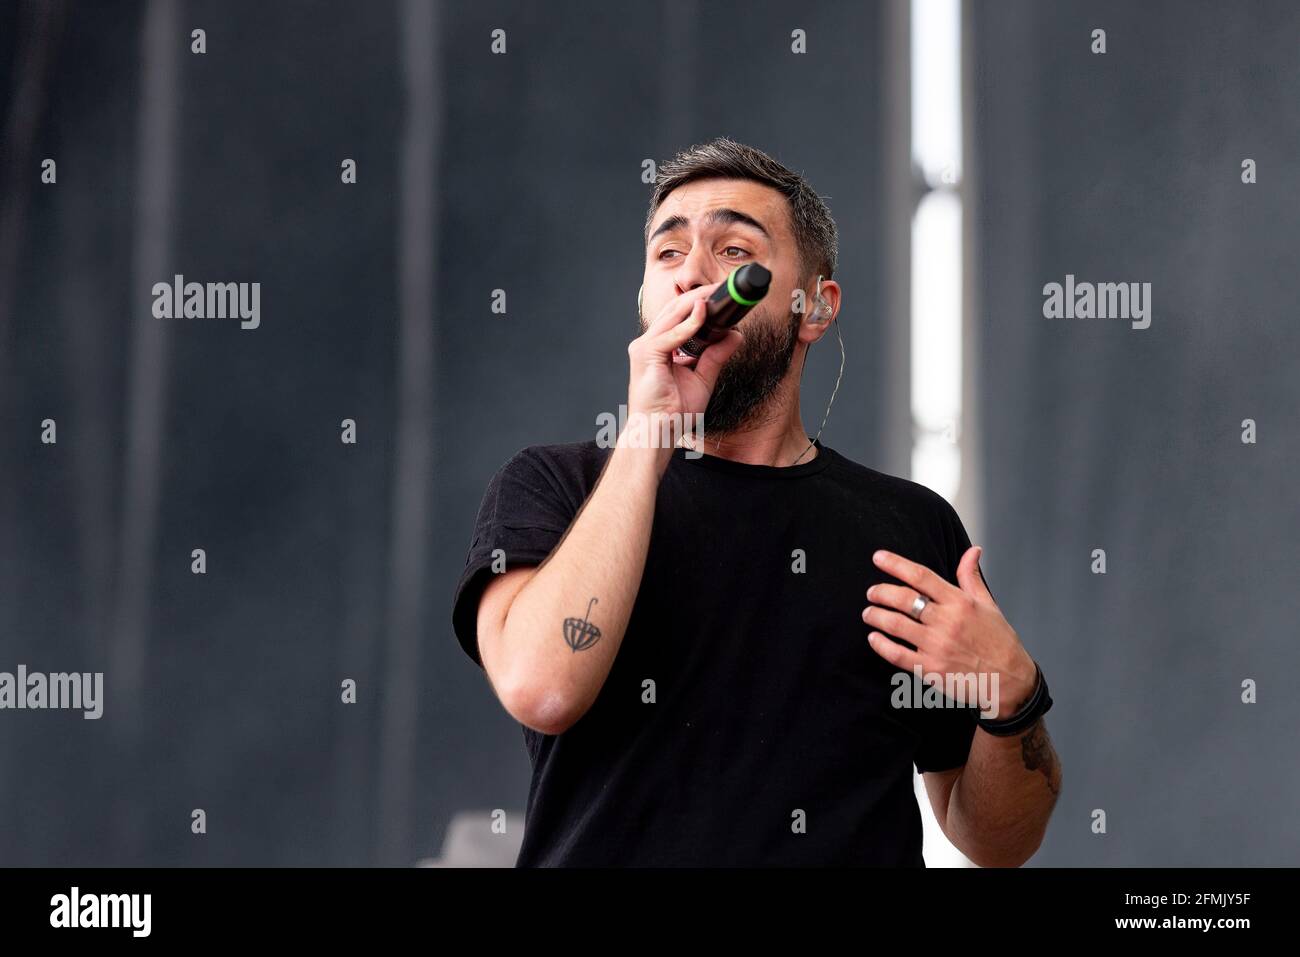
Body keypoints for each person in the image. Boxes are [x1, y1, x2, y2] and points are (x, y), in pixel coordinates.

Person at [451, 137, 1060, 866]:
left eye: (734, 249)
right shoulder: (555, 486)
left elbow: (997, 843)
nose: (694, 276)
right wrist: (650, 430)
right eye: (668, 254)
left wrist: (1013, 695)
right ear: (645, 300)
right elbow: (544, 688)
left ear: (815, 307)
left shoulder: (908, 526)